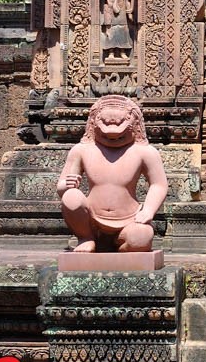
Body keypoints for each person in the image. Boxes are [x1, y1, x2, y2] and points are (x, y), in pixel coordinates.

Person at [57, 95, 168, 253]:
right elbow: (61, 189)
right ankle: (86, 238)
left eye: (120, 130)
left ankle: (119, 246)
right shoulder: (81, 150)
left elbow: (158, 184)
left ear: (135, 123)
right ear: (94, 122)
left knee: (141, 238)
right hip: (91, 219)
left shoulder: (145, 152)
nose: (112, 135)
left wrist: (148, 210)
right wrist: (66, 186)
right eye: (105, 129)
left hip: (130, 219)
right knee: (71, 197)